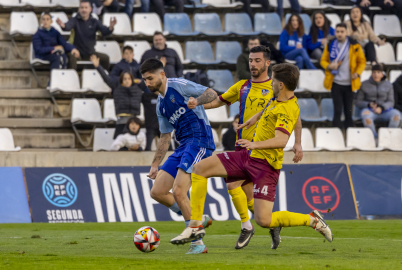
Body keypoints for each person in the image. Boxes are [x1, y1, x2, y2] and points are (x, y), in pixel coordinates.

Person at [170, 63, 333, 249]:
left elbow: (280, 140)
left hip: (266, 167)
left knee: (264, 220)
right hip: (249, 157)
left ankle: (311, 220)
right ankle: (195, 226)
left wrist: (255, 143)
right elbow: (268, 109)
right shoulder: (278, 97)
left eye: (274, 80)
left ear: (281, 85)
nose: (271, 82)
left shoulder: (288, 108)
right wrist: (254, 118)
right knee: (200, 169)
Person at [202, 45, 303, 250]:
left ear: (267, 63)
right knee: (247, 197)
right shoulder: (242, 86)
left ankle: (248, 226)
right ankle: (269, 224)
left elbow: (295, 116)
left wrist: (298, 142)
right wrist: (195, 105)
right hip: (242, 146)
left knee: (232, 186)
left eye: (257, 60)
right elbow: (220, 101)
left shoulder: (278, 88)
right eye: (250, 60)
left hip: (261, 152)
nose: (253, 64)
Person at [140, 58, 218, 254]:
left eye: (150, 78)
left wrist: (197, 101)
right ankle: (197, 218)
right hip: (183, 146)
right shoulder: (160, 105)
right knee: (157, 191)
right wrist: (155, 164)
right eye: (145, 80)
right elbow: (165, 136)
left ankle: (197, 243)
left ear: (162, 74)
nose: (147, 83)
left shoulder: (180, 86)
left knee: (179, 191)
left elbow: (211, 93)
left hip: (199, 140)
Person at [321, 23, 366, 130]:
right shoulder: (330, 44)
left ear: (346, 32)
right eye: (337, 32)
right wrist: (329, 66)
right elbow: (323, 61)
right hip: (336, 83)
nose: (340, 34)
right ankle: (336, 135)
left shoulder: (355, 45)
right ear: (335, 32)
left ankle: (349, 136)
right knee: (337, 111)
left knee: (349, 111)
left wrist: (358, 73)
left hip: (350, 84)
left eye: (342, 32)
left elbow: (362, 61)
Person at [91, 54, 143, 138]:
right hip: (121, 120)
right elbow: (106, 78)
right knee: (118, 143)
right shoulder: (116, 86)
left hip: (134, 120)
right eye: (124, 79)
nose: (127, 81)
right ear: (121, 80)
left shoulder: (138, 87)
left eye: (129, 78)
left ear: (132, 79)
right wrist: (98, 67)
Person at [56, 0, 117, 71]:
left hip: (90, 53)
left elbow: (104, 31)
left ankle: (101, 77)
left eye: (86, 7)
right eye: (82, 8)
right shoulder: (75, 20)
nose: (84, 10)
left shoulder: (94, 22)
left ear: (90, 9)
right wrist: (63, 26)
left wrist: (111, 27)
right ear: (79, 9)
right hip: (77, 52)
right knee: (71, 56)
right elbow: (67, 26)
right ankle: (71, 78)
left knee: (105, 58)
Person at [356, 64, 400, 137]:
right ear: (371, 73)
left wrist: (381, 108)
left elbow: (391, 102)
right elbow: (358, 102)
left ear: (382, 74)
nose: (376, 75)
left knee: (396, 115)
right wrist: (368, 104)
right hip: (370, 110)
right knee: (365, 115)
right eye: (374, 72)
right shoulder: (364, 84)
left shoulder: (388, 85)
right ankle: (374, 137)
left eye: (378, 72)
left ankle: (388, 136)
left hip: (385, 110)